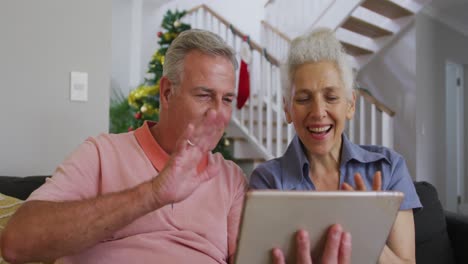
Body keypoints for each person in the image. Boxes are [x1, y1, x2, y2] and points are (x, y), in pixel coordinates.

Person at [1, 29, 350, 264]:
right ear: (167, 92)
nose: (218, 113)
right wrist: (153, 193)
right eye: (204, 95)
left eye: (227, 99)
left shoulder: (230, 179)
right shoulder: (101, 154)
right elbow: (17, 242)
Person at [250, 28, 422, 264]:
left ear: (350, 104)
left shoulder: (389, 167)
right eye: (303, 99)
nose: (319, 112)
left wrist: (367, 233)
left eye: (331, 97)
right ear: (287, 108)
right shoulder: (267, 181)